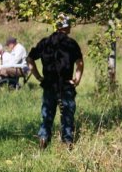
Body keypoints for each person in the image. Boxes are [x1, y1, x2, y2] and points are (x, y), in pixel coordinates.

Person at [27, 14, 84, 149]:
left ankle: (43, 137)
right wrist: (77, 80)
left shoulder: (45, 42)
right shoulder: (71, 43)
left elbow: (29, 59)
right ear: (66, 27)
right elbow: (80, 63)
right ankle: (67, 141)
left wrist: (38, 77)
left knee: (47, 114)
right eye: (69, 24)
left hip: (49, 84)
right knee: (67, 114)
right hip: (66, 84)